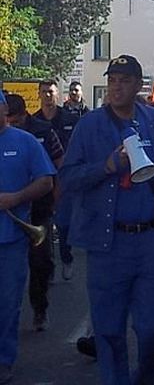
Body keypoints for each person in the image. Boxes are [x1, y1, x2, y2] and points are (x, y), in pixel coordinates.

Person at [59, 55, 154, 384]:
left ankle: (147, 378)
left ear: (138, 85)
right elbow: (67, 178)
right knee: (109, 332)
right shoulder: (89, 125)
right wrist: (106, 167)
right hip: (106, 243)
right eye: (112, 80)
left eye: (124, 80)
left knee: (153, 328)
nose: (116, 86)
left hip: (149, 241)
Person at [0, 91, 55, 384]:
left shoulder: (26, 142)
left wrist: (16, 198)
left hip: (11, 238)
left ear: (5, 110)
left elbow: (46, 181)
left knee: (7, 305)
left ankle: (3, 360)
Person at [6, 94, 64, 331]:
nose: (10, 125)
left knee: (40, 263)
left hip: (40, 208)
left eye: (14, 120)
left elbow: (59, 165)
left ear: (22, 115)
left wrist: (57, 202)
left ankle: (40, 309)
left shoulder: (43, 130)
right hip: (11, 213)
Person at [35, 79, 82, 280]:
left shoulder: (70, 118)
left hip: (66, 179)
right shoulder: (34, 121)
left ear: (57, 94)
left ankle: (67, 257)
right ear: (38, 94)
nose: (47, 96)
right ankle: (49, 266)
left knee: (63, 224)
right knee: (45, 225)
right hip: (41, 180)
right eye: (44, 92)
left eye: (51, 92)